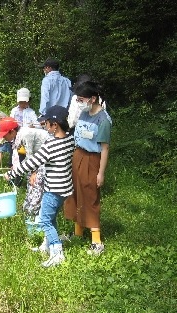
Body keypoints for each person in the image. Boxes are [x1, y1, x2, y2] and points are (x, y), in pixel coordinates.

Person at [3, 106, 74, 267]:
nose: (44, 124)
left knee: (44, 220)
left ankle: (57, 253)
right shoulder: (70, 139)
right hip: (65, 188)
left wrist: (11, 174)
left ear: (55, 125)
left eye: (47, 122)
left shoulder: (51, 146)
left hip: (53, 189)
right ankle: (46, 246)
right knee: (51, 217)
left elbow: (31, 163)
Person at [63, 81, 112, 256]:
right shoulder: (83, 113)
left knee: (90, 195)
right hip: (77, 155)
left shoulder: (103, 120)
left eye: (81, 99)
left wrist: (101, 172)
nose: (79, 102)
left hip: (93, 159)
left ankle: (96, 241)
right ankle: (77, 232)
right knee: (75, 192)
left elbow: (105, 148)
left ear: (92, 98)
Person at [0, 117, 49, 223]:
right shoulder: (18, 135)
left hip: (47, 160)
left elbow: (31, 159)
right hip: (39, 159)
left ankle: (34, 217)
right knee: (30, 182)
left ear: (12, 131)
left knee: (36, 183)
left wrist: (32, 173)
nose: (4, 137)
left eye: (5, 135)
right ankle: (27, 211)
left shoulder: (26, 134)